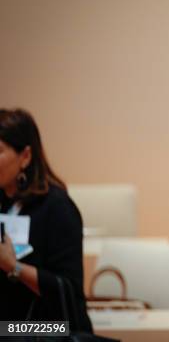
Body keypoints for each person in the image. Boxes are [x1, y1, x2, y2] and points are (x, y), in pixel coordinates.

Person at [0, 109, 92, 330]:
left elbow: (68, 290)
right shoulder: (3, 202)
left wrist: (13, 267)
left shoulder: (57, 207)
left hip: (47, 330)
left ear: (25, 157)